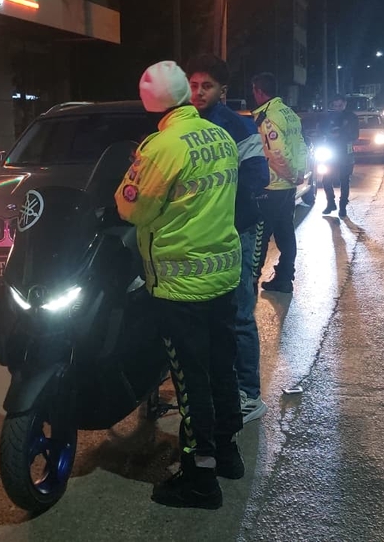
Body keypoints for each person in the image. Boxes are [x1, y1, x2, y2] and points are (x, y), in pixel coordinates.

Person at [115, 61, 244, 510]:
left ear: (151, 102)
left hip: (180, 285)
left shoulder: (160, 147)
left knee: (191, 386)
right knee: (221, 369)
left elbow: (132, 211)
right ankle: (228, 455)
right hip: (223, 276)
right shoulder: (219, 134)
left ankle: (199, 481)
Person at [185, 53, 270, 424]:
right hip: (198, 234)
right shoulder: (181, 125)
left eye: (207, 86)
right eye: (193, 85)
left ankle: (248, 394)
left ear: (223, 90)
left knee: (238, 313)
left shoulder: (239, 127)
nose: (198, 92)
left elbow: (256, 178)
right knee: (204, 316)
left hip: (237, 231)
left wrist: (218, 213)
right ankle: (216, 384)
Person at [251, 72, 308, 293]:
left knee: (261, 236)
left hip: (271, 185)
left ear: (259, 91)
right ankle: (284, 278)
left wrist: (291, 174)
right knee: (285, 232)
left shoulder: (268, 117)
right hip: (287, 187)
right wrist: (298, 173)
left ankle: (251, 281)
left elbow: (276, 153)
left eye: (254, 90)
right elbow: (301, 145)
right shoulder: (289, 113)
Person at [319, 96, 360, 218]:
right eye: (335, 106)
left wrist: (341, 133)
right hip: (330, 151)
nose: (337, 108)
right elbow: (322, 129)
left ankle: (342, 207)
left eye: (340, 106)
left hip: (345, 153)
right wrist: (328, 133)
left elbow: (355, 135)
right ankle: (331, 203)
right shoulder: (328, 117)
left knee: (344, 180)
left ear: (345, 104)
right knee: (326, 179)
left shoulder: (351, 117)